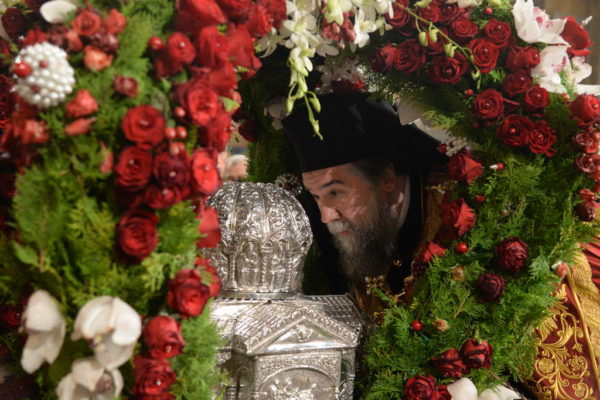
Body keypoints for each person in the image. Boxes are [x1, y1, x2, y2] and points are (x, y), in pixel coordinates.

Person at [283, 92, 446, 312]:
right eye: (316, 196)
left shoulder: (451, 205)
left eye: (335, 192)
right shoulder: (329, 240)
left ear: (386, 179)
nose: (326, 217)